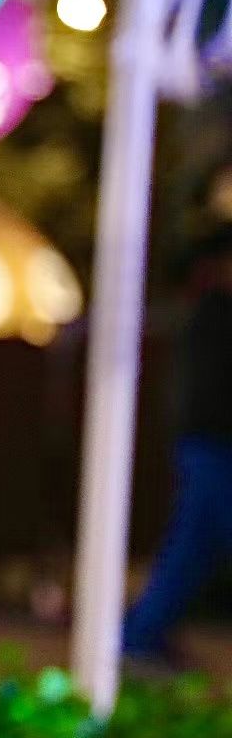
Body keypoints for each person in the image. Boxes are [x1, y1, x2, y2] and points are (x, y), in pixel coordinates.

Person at [122, 224, 232, 669]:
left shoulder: (212, 313)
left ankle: (141, 633)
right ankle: (139, 634)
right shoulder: (215, 314)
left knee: (191, 548)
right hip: (212, 445)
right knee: (192, 547)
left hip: (208, 445)